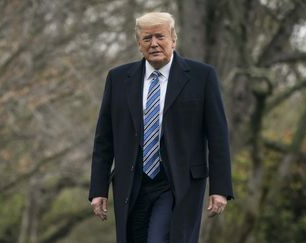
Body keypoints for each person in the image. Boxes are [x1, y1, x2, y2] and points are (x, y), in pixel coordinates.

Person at [88, 12, 234, 243]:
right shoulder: (118, 79)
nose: (154, 43)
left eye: (160, 36)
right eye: (147, 38)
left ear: (173, 40)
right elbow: (104, 139)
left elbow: (218, 136)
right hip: (132, 184)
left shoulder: (201, 76)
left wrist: (220, 188)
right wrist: (98, 189)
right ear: (139, 44)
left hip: (178, 183)